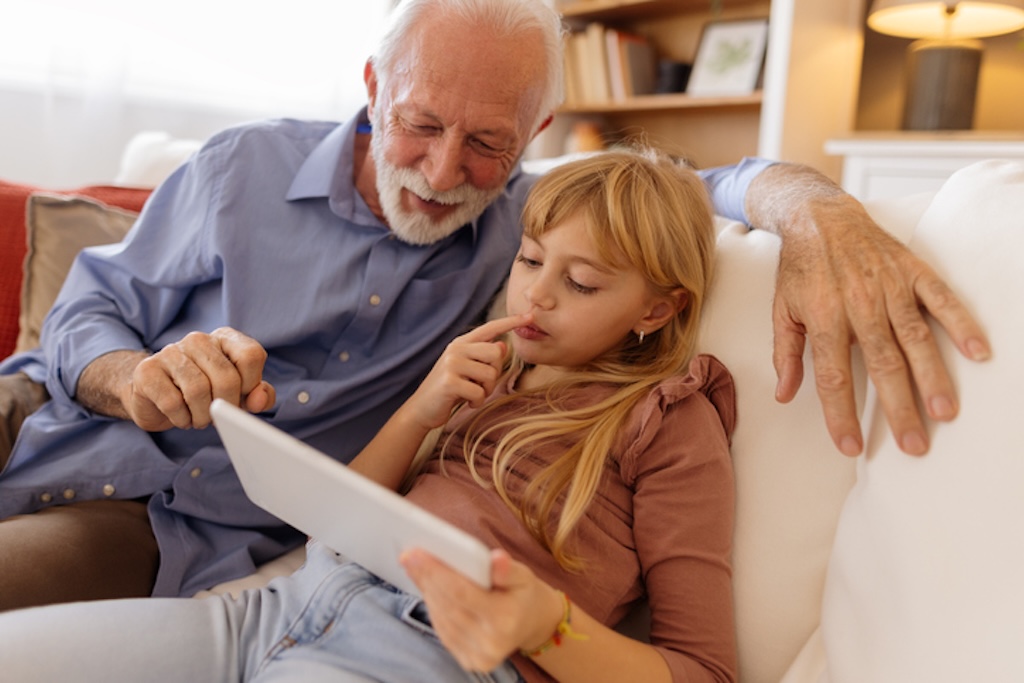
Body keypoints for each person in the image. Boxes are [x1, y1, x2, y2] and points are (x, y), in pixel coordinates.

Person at [0, 0, 988, 611]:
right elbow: (87, 314)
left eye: (486, 142)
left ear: (537, 130)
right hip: (49, 428)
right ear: (374, 85)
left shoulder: (536, 232)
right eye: (419, 124)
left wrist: (813, 207)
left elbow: (703, 181)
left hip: (162, 520)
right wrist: (136, 376)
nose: (439, 174)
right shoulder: (237, 167)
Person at [0, 147, 736, 683]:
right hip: (283, 603)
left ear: (659, 307)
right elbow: (338, 524)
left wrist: (546, 624)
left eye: (579, 282)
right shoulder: (493, 370)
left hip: (421, 655)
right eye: (531, 260)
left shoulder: (667, 420)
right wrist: (422, 410)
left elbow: (703, 669)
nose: (536, 297)